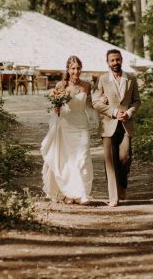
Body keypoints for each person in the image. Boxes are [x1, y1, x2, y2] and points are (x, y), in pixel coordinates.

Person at [40, 55, 95, 205]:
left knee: (83, 157)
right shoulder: (61, 85)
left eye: (78, 68)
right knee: (68, 159)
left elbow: (91, 104)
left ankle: (81, 192)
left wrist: (102, 101)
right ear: (68, 69)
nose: (76, 71)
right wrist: (56, 106)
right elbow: (56, 108)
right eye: (73, 68)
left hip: (82, 124)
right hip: (66, 124)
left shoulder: (87, 85)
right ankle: (70, 193)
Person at [92, 49, 141, 207]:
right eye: (112, 60)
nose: (115, 63)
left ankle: (122, 185)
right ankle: (114, 197)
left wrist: (129, 112)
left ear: (122, 60)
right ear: (107, 62)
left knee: (125, 158)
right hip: (108, 124)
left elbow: (136, 101)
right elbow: (96, 102)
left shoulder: (131, 78)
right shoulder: (103, 80)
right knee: (110, 161)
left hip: (126, 124)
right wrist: (112, 112)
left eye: (117, 59)